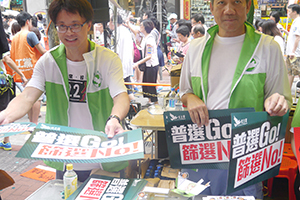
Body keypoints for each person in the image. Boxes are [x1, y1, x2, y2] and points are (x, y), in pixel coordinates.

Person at [0, 0, 130, 182]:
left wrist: (115, 118)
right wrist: (5, 115)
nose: (68, 32)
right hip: (66, 159)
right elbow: (28, 96)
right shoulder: (48, 62)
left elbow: (121, 96)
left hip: (103, 158)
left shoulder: (108, 59)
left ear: (88, 25)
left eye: (75, 25)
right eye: (62, 26)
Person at [179, 0, 291, 197]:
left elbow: (280, 96)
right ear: (212, 7)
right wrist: (190, 98)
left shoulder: (267, 47)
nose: (229, 10)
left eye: (236, 2)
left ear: (247, 7)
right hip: (202, 152)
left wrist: (275, 102)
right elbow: (184, 91)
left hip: (245, 157)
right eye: (221, 2)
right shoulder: (196, 48)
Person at [8, 11, 46, 126]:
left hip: (21, 73)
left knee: (27, 97)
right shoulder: (30, 35)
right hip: (33, 71)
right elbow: (42, 52)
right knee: (36, 98)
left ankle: (31, 123)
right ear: (27, 21)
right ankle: (34, 123)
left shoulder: (15, 38)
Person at [0, 10, 28, 151]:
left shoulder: (16, 37)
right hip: (2, 83)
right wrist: (21, 74)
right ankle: (6, 140)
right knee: (7, 110)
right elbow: (7, 59)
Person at [109, 15, 134, 101]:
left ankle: (132, 106)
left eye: (110, 21)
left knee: (122, 88)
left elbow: (116, 50)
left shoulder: (116, 32)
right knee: (127, 85)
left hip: (120, 63)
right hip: (127, 62)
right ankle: (133, 105)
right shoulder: (126, 30)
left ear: (113, 22)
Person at [133, 19, 159, 105]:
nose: (139, 27)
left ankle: (155, 103)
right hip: (148, 65)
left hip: (151, 65)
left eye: (141, 25)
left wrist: (138, 63)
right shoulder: (145, 38)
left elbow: (149, 56)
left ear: (144, 28)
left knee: (151, 86)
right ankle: (150, 102)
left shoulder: (150, 40)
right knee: (146, 85)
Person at [286, 4, 300, 88]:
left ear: (294, 12)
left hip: (295, 54)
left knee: (292, 73)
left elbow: (298, 37)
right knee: (291, 73)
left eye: (289, 11)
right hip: (293, 53)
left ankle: (287, 95)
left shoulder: (298, 22)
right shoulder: (295, 22)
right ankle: (287, 95)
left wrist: (293, 52)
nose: (288, 13)